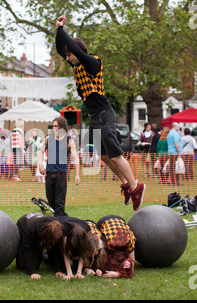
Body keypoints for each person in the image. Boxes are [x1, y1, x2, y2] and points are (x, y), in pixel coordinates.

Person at [55, 15, 145, 211]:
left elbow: (74, 48)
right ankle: (126, 184)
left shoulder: (92, 63)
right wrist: (57, 30)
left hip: (104, 113)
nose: (67, 58)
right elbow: (59, 49)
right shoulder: (77, 65)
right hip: (94, 116)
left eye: (69, 54)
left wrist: (63, 30)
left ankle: (136, 186)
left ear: (77, 52)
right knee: (104, 156)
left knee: (114, 154)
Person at [38, 116, 80, 217]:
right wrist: (40, 165)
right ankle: (61, 218)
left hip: (61, 174)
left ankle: (60, 223)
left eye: (56, 126)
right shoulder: (48, 139)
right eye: (53, 126)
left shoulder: (68, 141)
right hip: (49, 174)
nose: (54, 128)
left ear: (62, 127)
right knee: (51, 202)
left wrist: (77, 174)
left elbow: (75, 158)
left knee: (59, 203)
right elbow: (40, 151)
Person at [16, 212, 65, 280]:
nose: (54, 243)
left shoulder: (58, 228)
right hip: (23, 226)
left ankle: (42, 254)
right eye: (52, 241)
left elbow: (57, 250)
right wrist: (32, 272)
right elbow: (27, 250)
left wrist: (59, 270)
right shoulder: (32, 229)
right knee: (22, 266)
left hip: (41, 232)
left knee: (51, 263)